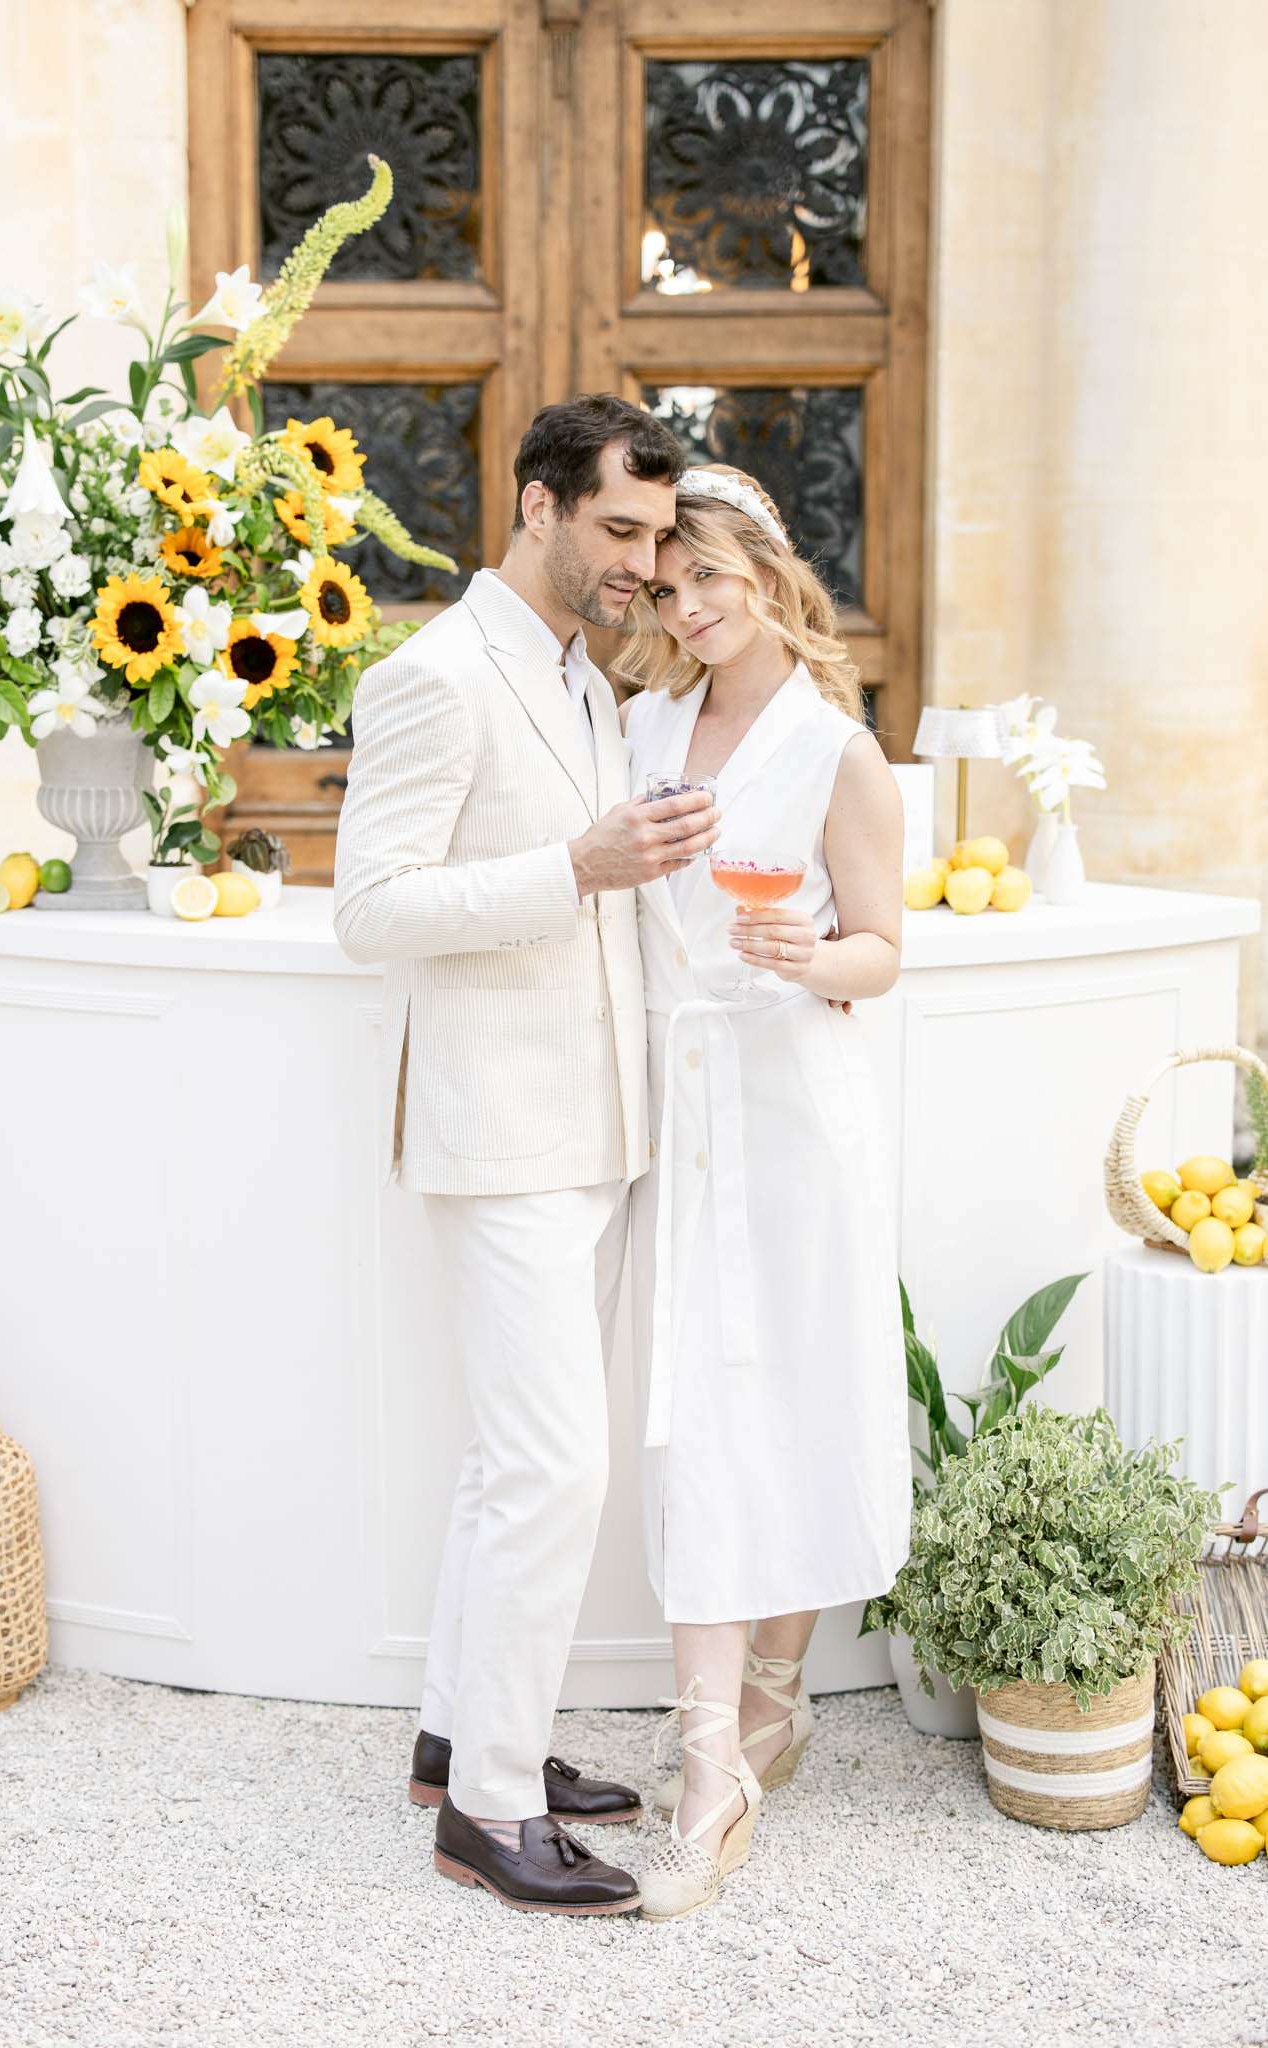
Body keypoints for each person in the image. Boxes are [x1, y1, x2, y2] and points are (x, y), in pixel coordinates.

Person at [331, 396, 722, 1917]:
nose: (636, 563)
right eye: (616, 530)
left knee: (515, 1465)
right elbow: (371, 910)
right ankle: (486, 1812)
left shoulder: (586, 680)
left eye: (653, 538)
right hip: (499, 1142)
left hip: (597, 1130)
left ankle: (459, 1736)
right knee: (552, 1468)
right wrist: (570, 868)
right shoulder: (437, 675)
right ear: (538, 506)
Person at [615, 462, 913, 1922]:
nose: (689, 608)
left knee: (788, 1388)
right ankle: (706, 1765)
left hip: (795, 1106)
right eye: (668, 588)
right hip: (681, 1106)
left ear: (769, 572)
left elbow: (880, 950)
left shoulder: (834, 751)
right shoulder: (647, 723)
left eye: (710, 579)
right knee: (694, 1414)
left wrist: (810, 959)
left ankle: (777, 1691)